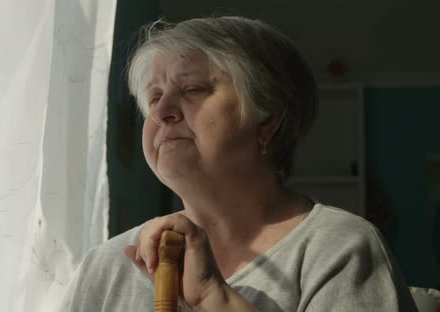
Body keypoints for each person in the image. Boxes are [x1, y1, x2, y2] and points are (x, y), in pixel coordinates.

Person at [58, 16, 417, 311]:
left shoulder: (340, 250)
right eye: (154, 97)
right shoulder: (106, 266)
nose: (163, 111)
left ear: (268, 122)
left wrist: (217, 300)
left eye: (193, 89)